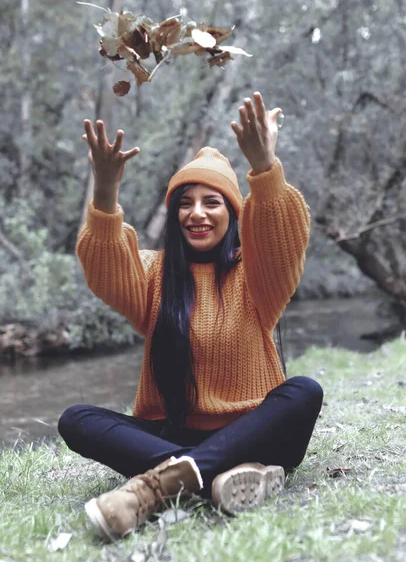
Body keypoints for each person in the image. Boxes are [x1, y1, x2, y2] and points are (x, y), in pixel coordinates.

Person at [58, 91, 323, 541]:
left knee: (303, 391)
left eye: (212, 202)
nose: (197, 213)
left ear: (233, 214)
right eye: (185, 202)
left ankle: (156, 485)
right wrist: (105, 189)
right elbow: (105, 269)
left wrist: (264, 167)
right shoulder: (154, 275)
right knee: (76, 419)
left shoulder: (258, 277)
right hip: (170, 435)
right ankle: (221, 476)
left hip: (256, 434)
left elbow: (283, 237)